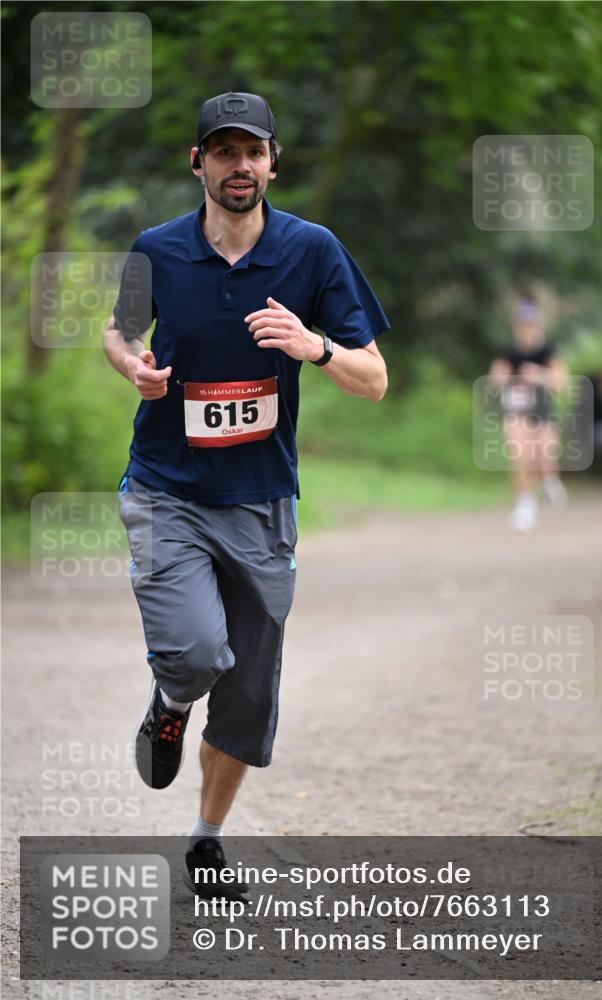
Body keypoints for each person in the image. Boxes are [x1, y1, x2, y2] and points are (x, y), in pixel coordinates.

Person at [103, 92, 389, 898]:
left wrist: (316, 344)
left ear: (273, 161)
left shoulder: (312, 251)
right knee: (196, 652)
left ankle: (205, 839)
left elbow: (373, 380)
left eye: (252, 152)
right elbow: (119, 329)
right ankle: (169, 698)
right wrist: (132, 365)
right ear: (198, 163)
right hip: (166, 490)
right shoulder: (155, 249)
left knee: (250, 690)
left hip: (261, 501)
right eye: (223, 152)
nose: (240, 166)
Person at [488, 301, 569, 532]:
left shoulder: (548, 350)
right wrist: (504, 377)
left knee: (545, 457)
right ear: (515, 327)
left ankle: (550, 483)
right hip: (517, 411)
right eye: (522, 325)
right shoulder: (508, 352)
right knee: (521, 455)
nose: (527, 329)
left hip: (544, 411)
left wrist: (539, 375)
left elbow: (561, 382)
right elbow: (495, 380)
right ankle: (525, 503)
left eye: (531, 325)